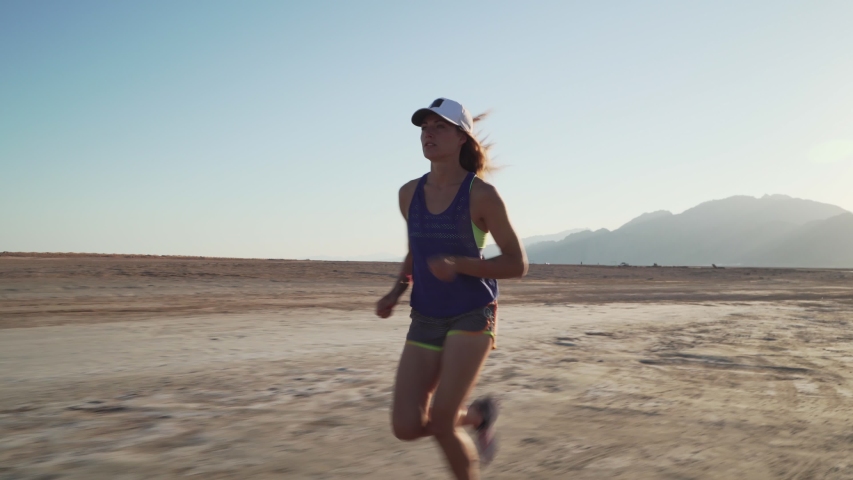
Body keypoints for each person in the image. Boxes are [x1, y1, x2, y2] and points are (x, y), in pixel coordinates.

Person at [375, 98, 528, 480]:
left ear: (462, 137)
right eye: (425, 128)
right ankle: (477, 417)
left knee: (442, 422)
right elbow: (416, 249)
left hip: (472, 311)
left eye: (440, 127)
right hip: (426, 313)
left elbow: (516, 263)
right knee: (407, 425)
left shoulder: (481, 195)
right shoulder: (408, 193)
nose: (429, 133)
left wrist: (460, 265)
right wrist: (396, 292)